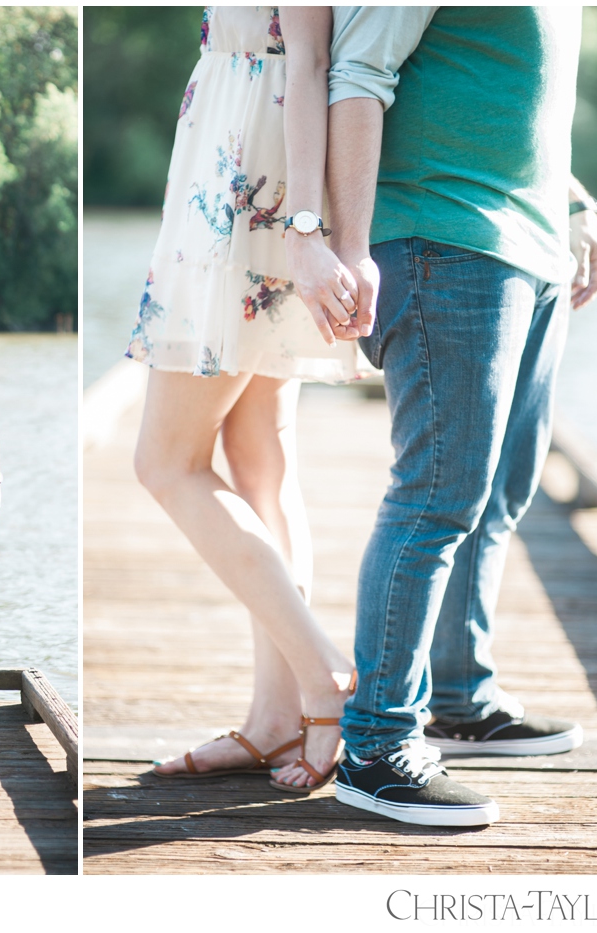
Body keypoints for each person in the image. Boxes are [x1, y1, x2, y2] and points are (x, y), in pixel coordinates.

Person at [324, 6, 597, 825]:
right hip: (444, 236)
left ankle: (462, 696)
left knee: (501, 489)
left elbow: (522, 92)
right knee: (438, 494)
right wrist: (348, 246)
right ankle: (377, 744)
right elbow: (358, 73)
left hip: (533, 243)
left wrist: (576, 202)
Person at [128, 7, 372, 793]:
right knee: (260, 458)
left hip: (257, 181)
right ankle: (277, 718)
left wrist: (304, 228)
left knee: (165, 461)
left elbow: (308, 60)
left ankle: (321, 669)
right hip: (238, 152)